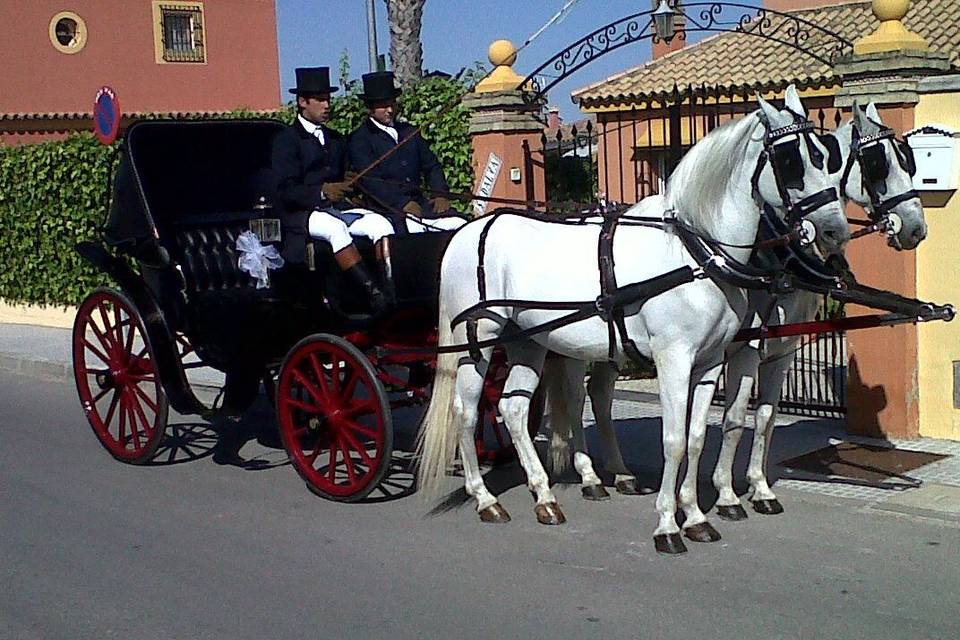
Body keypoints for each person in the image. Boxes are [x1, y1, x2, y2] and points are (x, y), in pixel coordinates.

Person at [271, 66, 392, 313]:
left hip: (335, 208)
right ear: (303, 102)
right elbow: (285, 190)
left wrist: (352, 184)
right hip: (302, 214)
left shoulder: (336, 139)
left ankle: (391, 285)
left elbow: (344, 176)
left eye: (329, 99)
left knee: (380, 224)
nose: (327, 105)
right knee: (334, 229)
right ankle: (373, 294)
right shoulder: (287, 141)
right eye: (321, 100)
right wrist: (323, 191)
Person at [348, 71, 467, 234]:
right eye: (383, 106)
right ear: (370, 108)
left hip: (420, 204)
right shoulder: (360, 139)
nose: (390, 110)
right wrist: (402, 203)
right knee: (414, 231)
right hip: (386, 209)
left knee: (460, 223)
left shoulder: (409, 132)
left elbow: (432, 165)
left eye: (392, 103)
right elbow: (372, 181)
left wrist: (440, 195)